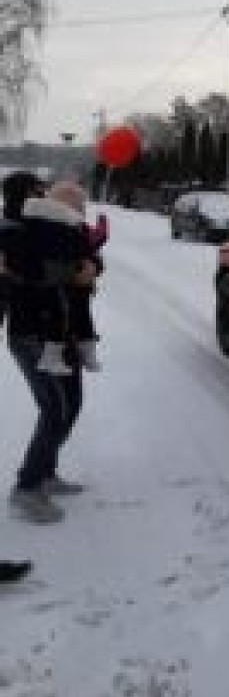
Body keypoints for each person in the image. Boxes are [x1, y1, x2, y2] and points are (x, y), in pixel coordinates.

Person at [1, 171, 99, 524]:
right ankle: (26, 487)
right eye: (34, 191)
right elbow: (33, 272)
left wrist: (89, 266)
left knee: (71, 406)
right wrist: (76, 272)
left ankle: (46, 472)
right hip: (31, 336)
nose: (40, 197)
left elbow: (87, 259)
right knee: (54, 409)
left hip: (64, 332)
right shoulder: (14, 233)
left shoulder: (59, 230)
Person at [21, 180, 106, 373]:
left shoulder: (57, 224)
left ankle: (85, 353)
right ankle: (59, 357)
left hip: (65, 290)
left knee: (75, 313)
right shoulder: (52, 226)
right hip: (40, 313)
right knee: (61, 315)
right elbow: (79, 248)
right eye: (80, 206)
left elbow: (90, 254)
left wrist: (93, 265)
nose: (83, 210)